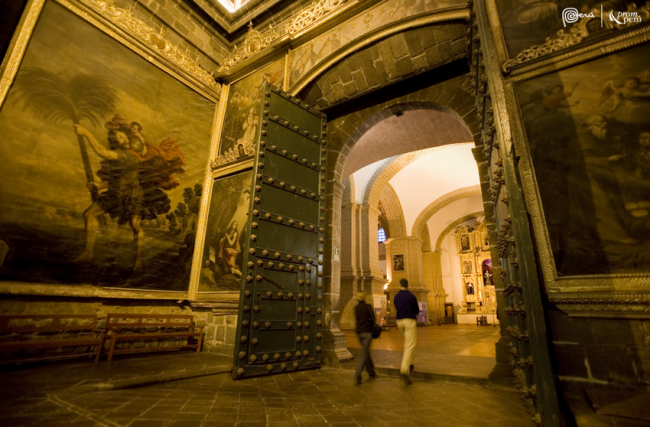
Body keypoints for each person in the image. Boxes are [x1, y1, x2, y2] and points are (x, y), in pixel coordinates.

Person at [393, 278, 419, 385]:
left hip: (399, 321)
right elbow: (417, 310)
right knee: (409, 345)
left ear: (399, 285)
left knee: (408, 341)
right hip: (409, 320)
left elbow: (396, 307)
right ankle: (404, 370)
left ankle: (411, 363)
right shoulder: (411, 296)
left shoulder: (396, 296)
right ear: (407, 285)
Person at [353, 291, 377, 385]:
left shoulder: (356, 308)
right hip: (367, 333)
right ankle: (357, 375)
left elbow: (357, 319)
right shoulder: (368, 307)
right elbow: (373, 319)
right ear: (364, 297)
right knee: (364, 354)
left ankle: (372, 372)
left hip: (359, 333)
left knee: (366, 352)